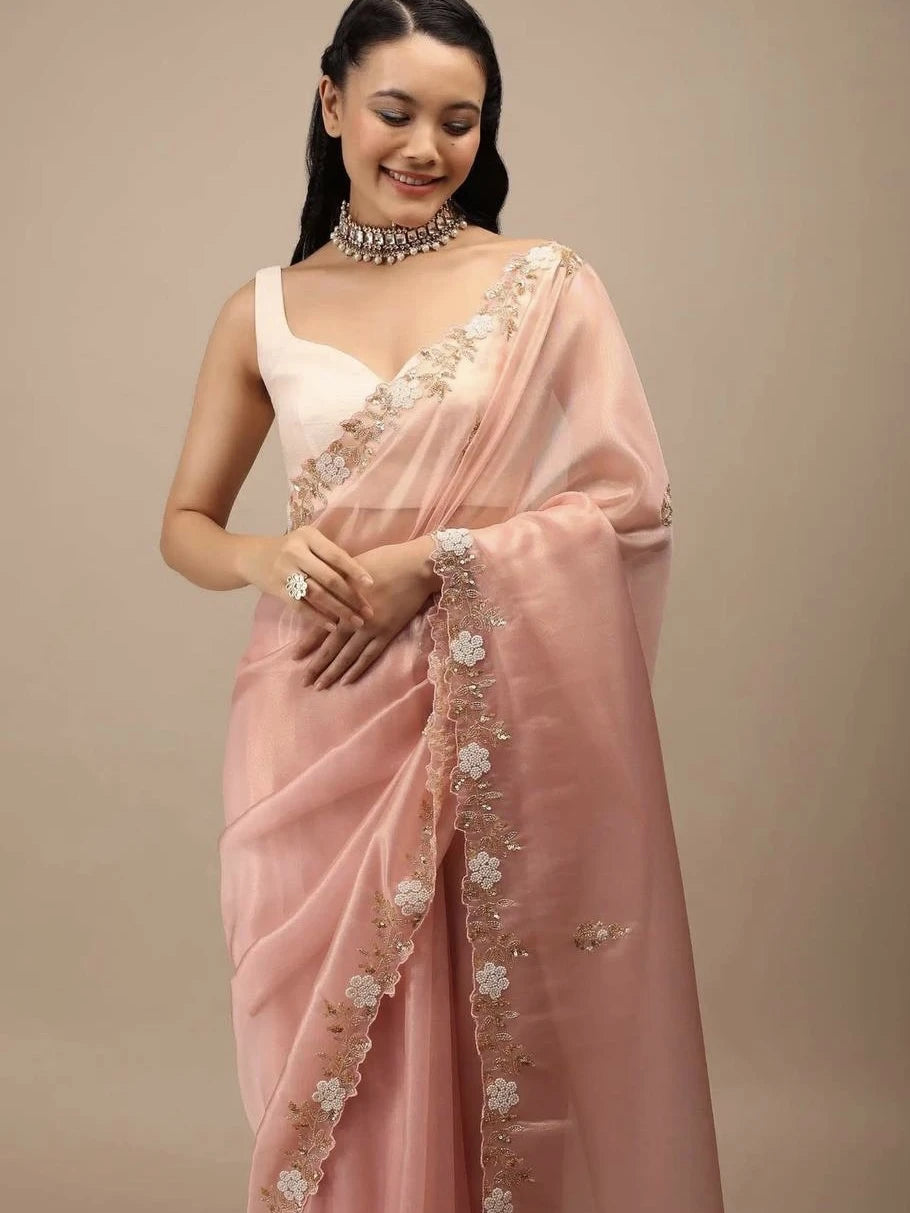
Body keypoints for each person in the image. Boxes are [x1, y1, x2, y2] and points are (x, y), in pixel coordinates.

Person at [159, 3, 726, 1211]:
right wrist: (265, 559)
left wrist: (441, 561)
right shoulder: (258, 308)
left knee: (484, 1033)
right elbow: (187, 526)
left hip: (482, 705)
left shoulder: (541, 285)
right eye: (396, 113)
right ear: (332, 109)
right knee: (323, 1073)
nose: (425, 147)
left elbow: (631, 505)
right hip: (307, 720)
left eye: (459, 122)